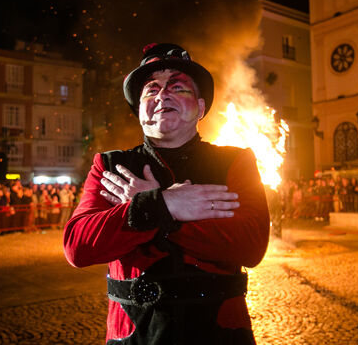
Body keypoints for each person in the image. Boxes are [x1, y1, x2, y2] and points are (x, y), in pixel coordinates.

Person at [63, 43, 270, 344]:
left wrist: (155, 215)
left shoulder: (235, 161)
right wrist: (162, 204)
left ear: (200, 108)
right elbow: (77, 246)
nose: (162, 95)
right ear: (139, 111)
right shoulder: (111, 165)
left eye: (178, 87)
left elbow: (251, 245)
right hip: (135, 336)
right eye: (151, 90)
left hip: (220, 335)